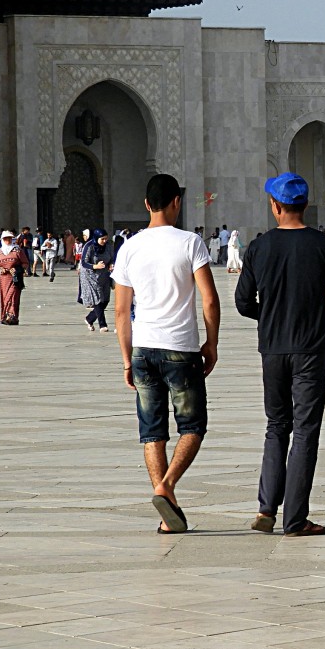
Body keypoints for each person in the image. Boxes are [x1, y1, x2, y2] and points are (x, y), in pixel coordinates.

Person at [235, 172, 325, 537]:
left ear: (275, 206)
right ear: (305, 205)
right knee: (304, 430)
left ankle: (266, 509)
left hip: (272, 349)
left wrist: (272, 313)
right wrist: (322, 307)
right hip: (310, 350)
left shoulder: (259, 247)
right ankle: (295, 519)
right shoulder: (323, 245)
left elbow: (243, 303)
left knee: (276, 426)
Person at [111, 174, 219, 533]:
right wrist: (211, 343)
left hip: (143, 349)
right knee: (193, 426)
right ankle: (167, 486)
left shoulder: (129, 247)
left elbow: (121, 312)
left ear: (146, 204)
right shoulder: (190, 243)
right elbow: (209, 298)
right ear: (177, 202)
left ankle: (166, 517)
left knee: (151, 431)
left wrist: (127, 359)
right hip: (180, 349)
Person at [79, 229, 114, 332]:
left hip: (104, 274)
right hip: (91, 276)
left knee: (106, 300)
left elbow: (112, 258)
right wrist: (95, 266)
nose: (104, 241)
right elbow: (84, 262)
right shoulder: (89, 246)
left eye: (106, 239)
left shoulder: (108, 246)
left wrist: (111, 264)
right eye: (102, 239)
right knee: (98, 300)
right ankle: (102, 325)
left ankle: (89, 318)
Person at [0, 231, 28, 325]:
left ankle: (12, 317)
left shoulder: (17, 250)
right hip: (4, 280)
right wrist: (0, 270)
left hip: (15, 279)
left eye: (9, 238)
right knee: (5, 298)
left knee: (13, 297)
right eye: (5, 239)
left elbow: (25, 263)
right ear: (2, 240)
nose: (8, 240)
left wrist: (17, 269)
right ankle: (5, 316)